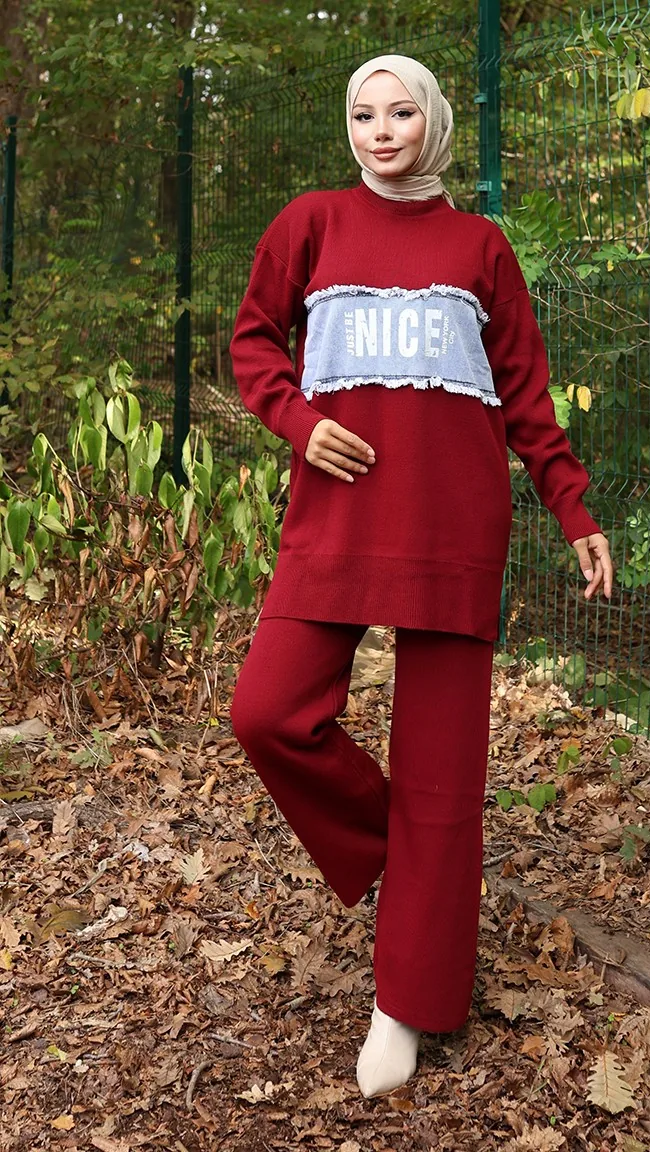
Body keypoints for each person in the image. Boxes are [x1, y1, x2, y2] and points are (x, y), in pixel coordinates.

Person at [228, 53, 613, 1100]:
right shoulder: (310, 224)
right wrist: (297, 422)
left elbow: (524, 393)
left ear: (432, 122)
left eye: (400, 112)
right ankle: (405, 854)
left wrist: (571, 507)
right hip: (336, 523)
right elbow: (254, 344)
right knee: (267, 713)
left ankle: (405, 1002)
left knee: (443, 781)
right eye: (363, 113)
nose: (381, 130)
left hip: (451, 530)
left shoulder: (479, 246)